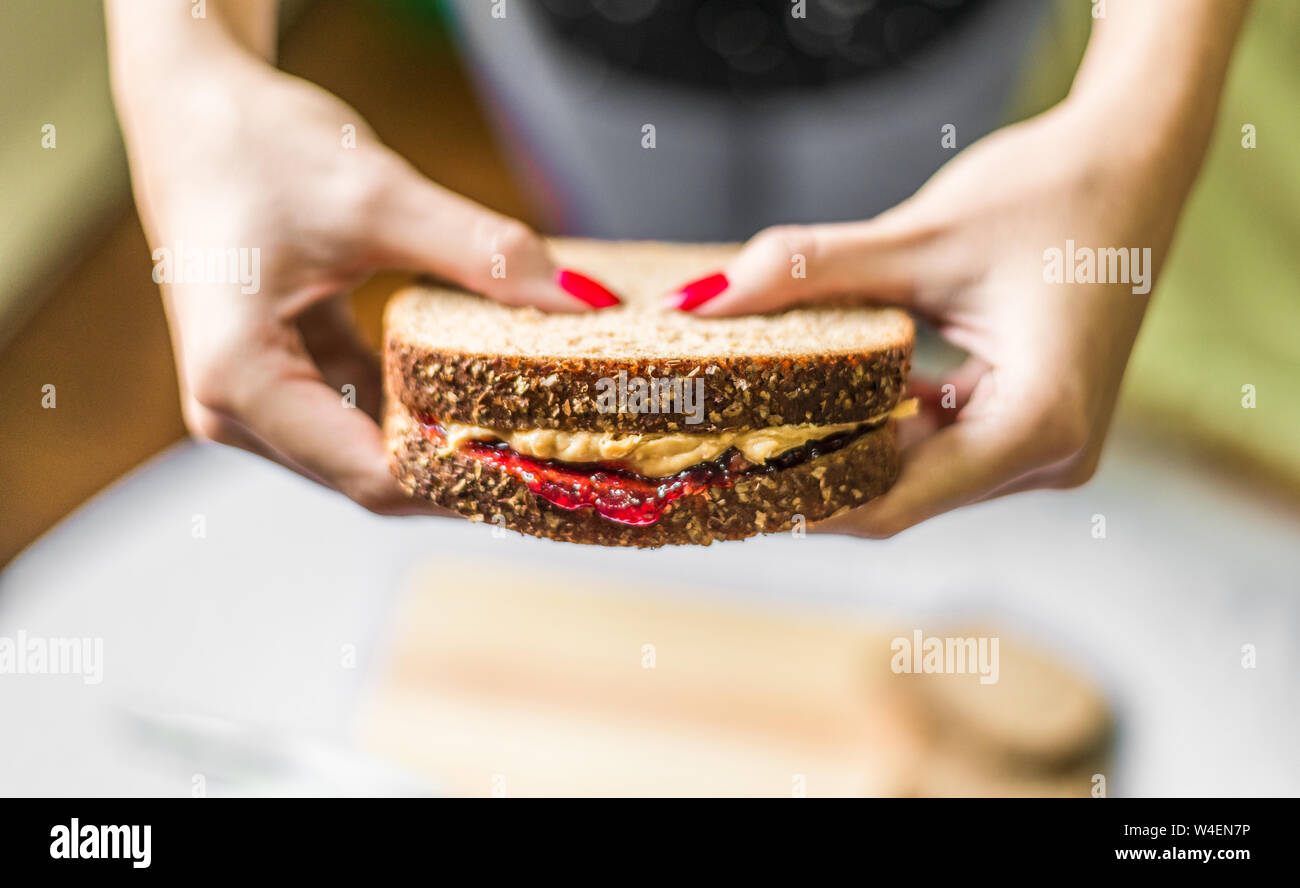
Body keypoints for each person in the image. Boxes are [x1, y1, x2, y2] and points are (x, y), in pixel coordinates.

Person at [104, 0, 1254, 537]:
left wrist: (1144, 104)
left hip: (928, 34)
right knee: (630, 229)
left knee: (881, 275)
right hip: (572, 33)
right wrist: (181, 61)